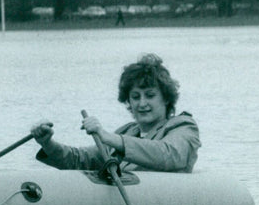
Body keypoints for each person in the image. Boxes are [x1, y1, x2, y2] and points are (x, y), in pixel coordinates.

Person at [30, 54, 200, 173]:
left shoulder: (183, 126)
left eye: (150, 95)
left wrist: (108, 136)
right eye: (135, 97)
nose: (142, 103)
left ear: (166, 98)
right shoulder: (128, 132)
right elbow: (81, 160)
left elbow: (168, 155)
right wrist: (48, 143)